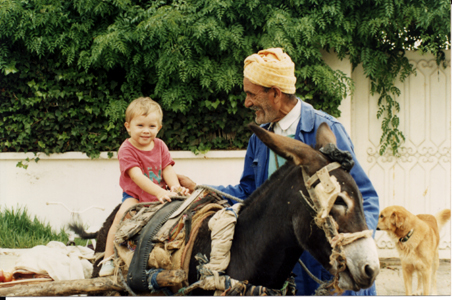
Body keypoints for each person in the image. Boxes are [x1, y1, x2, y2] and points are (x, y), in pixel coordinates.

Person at [178, 48, 379, 295]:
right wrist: (199, 187)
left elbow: (364, 196)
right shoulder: (260, 139)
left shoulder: (324, 128)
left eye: (252, 94)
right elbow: (249, 192)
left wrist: (354, 248)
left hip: (322, 271)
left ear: (275, 93)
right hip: (279, 272)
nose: (247, 102)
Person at [99, 97, 189, 277]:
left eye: (151, 126)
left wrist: (176, 187)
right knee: (120, 216)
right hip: (136, 196)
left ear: (159, 128)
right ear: (128, 126)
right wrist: (159, 191)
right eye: (140, 125)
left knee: (185, 215)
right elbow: (137, 176)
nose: (146, 131)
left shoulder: (160, 145)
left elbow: (167, 169)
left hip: (161, 194)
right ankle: (108, 259)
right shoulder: (126, 149)